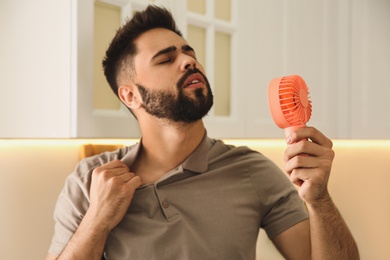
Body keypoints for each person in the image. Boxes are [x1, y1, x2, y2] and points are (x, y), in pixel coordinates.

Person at [46, 5, 359, 260]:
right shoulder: (89, 181)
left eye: (188, 52)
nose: (188, 61)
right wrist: (98, 219)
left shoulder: (252, 170)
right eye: (166, 59)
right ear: (131, 96)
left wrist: (319, 201)